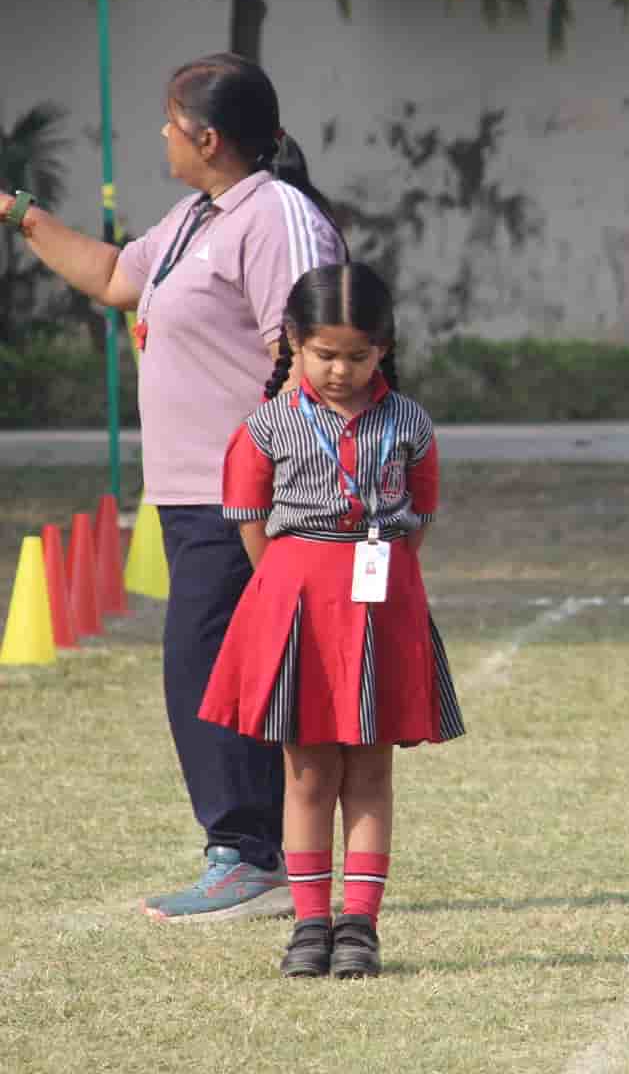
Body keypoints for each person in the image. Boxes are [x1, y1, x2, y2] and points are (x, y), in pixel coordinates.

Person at [0, 54, 346, 921]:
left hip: (253, 498)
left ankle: (249, 858)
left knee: (208, 669)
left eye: (169, 120)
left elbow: (311, 354)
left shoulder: (275, 216)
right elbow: (116, 277)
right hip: (190, 494)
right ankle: (256, 852)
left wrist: (272, 482)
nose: (161, 133)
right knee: (209, 669)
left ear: (209, 137)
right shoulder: (197, 217)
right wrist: (17, 212)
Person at [199, 262, 464, 979]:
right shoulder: (266, 426)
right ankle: (310, 925)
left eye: (357, 355)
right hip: (298, 611)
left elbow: (420, 516)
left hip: (383, 608)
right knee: (309, 772)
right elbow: (251, 525)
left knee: (371, 769)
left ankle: (360, 928)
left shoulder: (410, 423)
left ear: (383, 349)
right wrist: (297, 583)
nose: (340, 370)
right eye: (325, 354)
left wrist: (373, 576)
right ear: (293, 341)